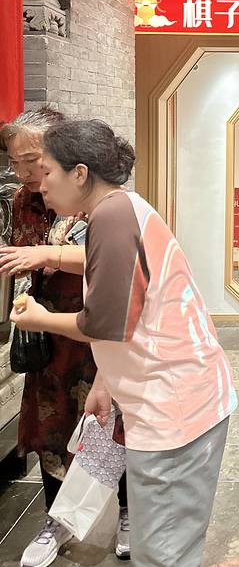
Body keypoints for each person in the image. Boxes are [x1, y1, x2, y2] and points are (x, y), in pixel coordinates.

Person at [11, 120, 236, 567]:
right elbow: (136, 312)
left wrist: (41, 318)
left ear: (79, 173)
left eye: (47, 170)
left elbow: (106, 322)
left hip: (174, 405)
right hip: (171, 396)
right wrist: (107, 382)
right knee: (164, 544)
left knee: (162, 551)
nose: (41, 184)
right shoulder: (118, 210)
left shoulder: (112, 217)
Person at [0, 108, 130, 567]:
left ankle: (128, 511)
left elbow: (106, 257)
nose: (26, 173)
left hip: (97, 332)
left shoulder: (105, 203)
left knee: (111, 427)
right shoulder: (22, 200)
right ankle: (56, 520)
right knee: (50, 430)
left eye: (34, 161)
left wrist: (46, 254)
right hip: (45, 331)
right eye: (15, 162)